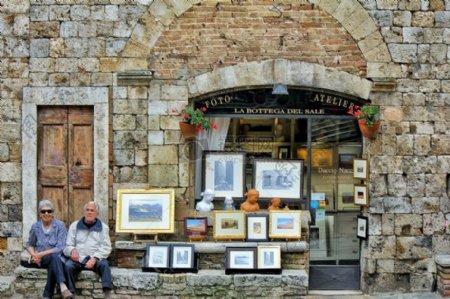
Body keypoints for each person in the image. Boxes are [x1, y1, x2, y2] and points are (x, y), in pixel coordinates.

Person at [63, 202, 112, 299]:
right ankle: (72, 293)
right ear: (84, 212)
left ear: (97, 214)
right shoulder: (74, 226)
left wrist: (94, 258)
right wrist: (72, 250)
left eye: (92, 210)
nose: (89, 212)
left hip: (95, 258)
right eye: (87, 210)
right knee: (68, 266)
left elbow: (106, 247)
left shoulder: (104, 227)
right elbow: (68, 245)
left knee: (105, 265)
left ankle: (107, 293)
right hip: (79, 258)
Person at [25, 199, 73, 299]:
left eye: (49, 211)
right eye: (43, 211)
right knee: (53, 258)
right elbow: (30, 244)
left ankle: (47, 294)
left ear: (53, 213)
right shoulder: (35, 227)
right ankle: (63, 287)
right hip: (41, 260)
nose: (46, 213)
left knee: (54, 258)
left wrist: (40, 254)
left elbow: (60, 247)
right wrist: (34, 255)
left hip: (58, 259)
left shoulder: (60, 225)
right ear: (40, 214)